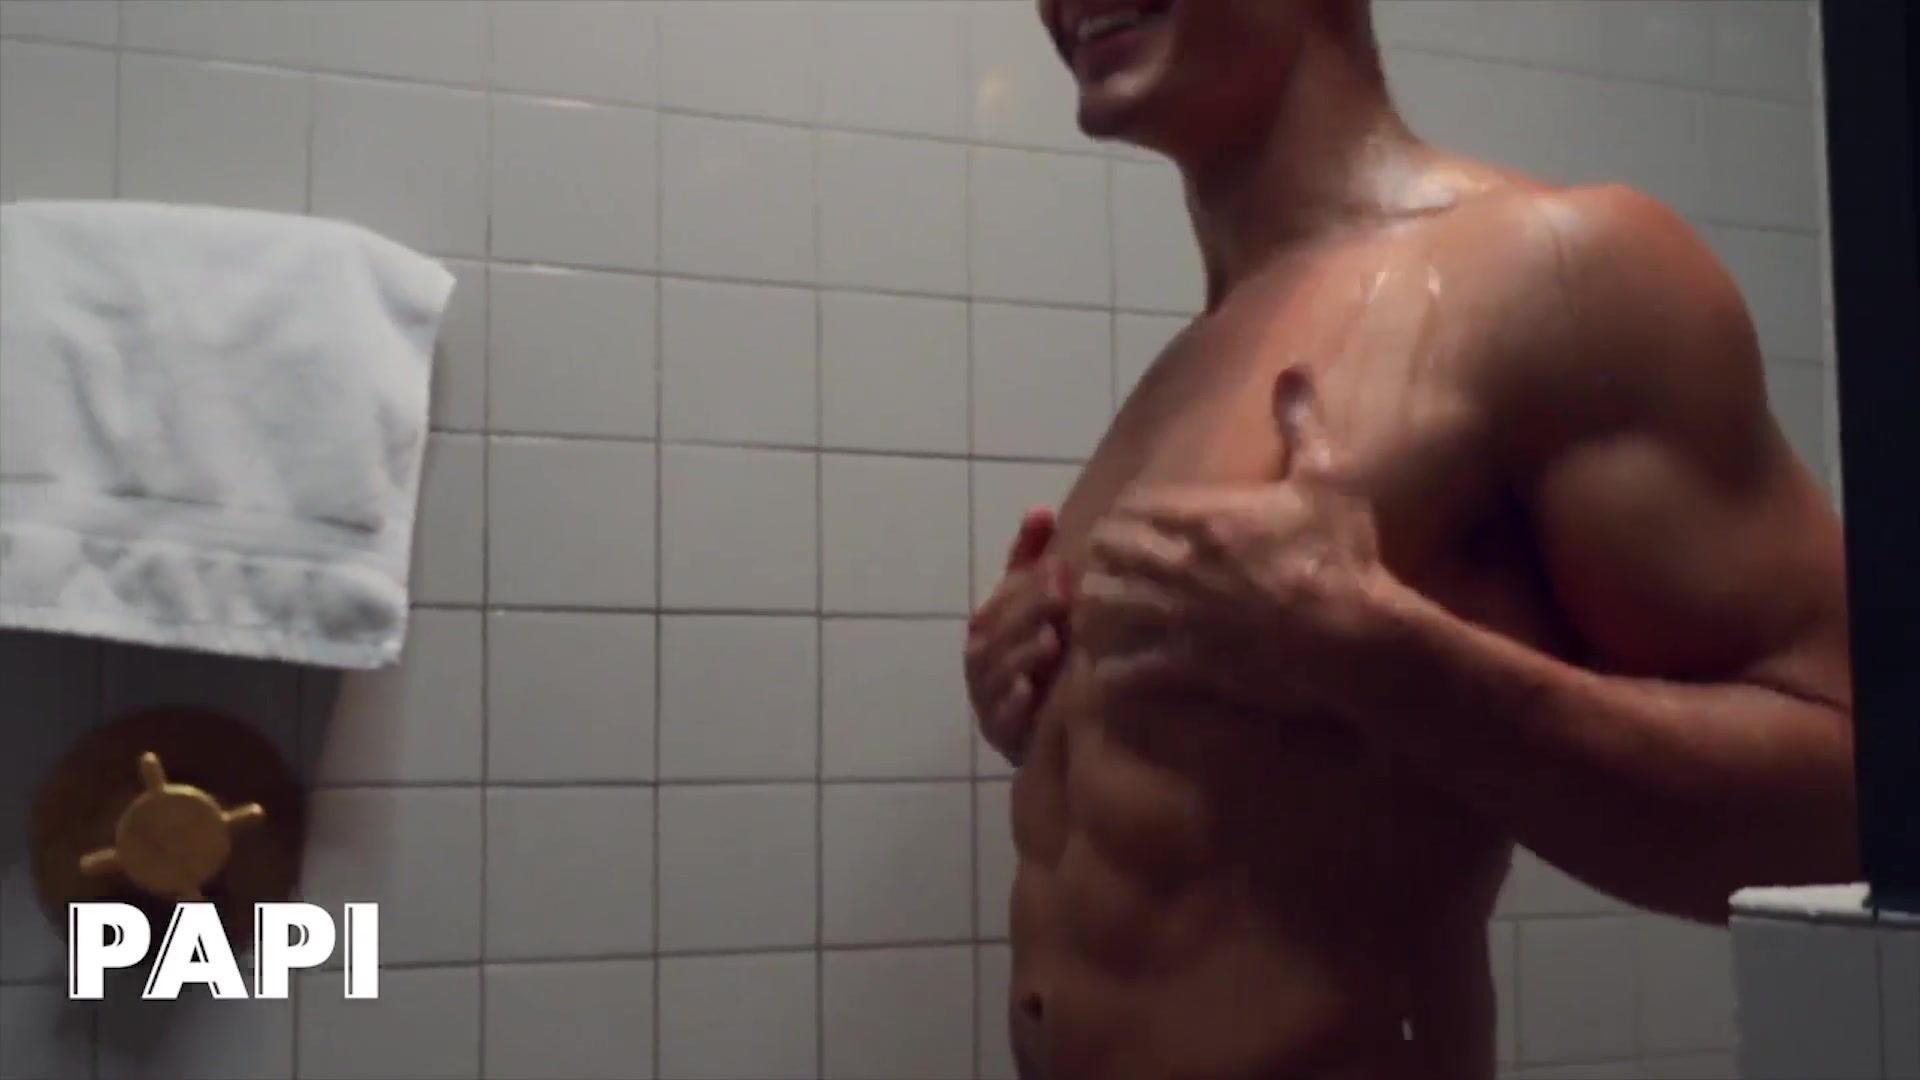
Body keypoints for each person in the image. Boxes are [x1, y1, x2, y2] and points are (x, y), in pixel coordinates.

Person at [962, 1, 1859, 1077]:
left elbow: (1859, 810)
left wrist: (1383, 659)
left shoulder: (1561, 271)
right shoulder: (1197, 357)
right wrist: (1052, 698)